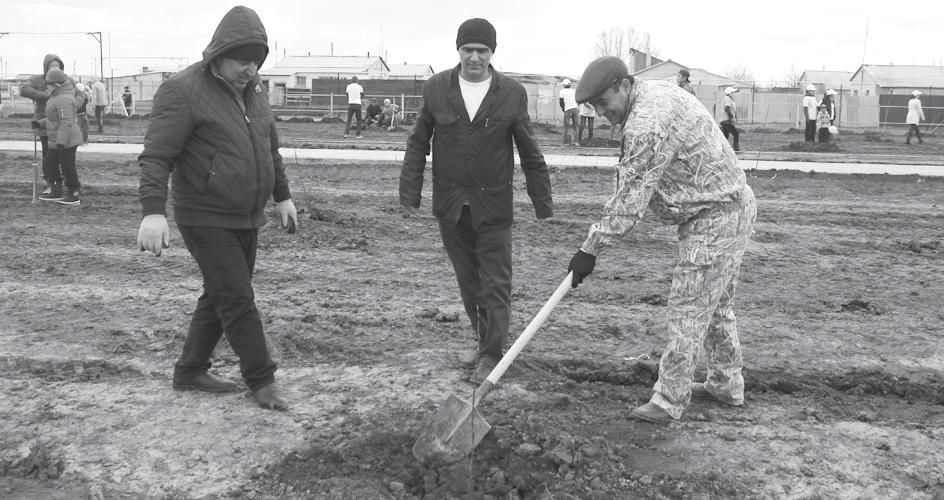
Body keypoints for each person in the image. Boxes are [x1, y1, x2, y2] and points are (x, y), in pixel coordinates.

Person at [566, 56, 756, 424]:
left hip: (714, 219)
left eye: (605, 103)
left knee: (688, 308)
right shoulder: (651, 94)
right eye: (596, 107)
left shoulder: (647, 124)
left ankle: (669, 400)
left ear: (623, 85)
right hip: (732, 207)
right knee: (716, 307)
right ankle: (726, 384)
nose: (603, 112)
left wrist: (589, 249)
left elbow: (630, 201)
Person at [136, 5, 298, 411]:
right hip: (204, 214)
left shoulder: (254, 92)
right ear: (219, 54)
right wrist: (153, 211)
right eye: (242, 61)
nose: (250, 69)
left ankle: (190, 370)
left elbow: (269, 147)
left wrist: (282, 195)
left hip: (247, 214)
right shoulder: (183, 89)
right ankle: (262, 380)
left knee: (221, 293)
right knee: (238, 298)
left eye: (256, 62)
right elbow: (157, 156)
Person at [399, 18, 554, 384]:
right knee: (469, 282)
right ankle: (485, 340)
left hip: (493, 206)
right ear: (458, 50)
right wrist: (410, 194)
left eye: (482, 51)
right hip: (451, 205)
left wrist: (542, 202)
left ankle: (491, 354)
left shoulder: (512, 93)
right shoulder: (436, 89)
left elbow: (529, 151)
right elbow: (419, 142)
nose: (474, 57)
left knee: (495, 282)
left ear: (492, 53)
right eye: (467, 49)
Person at [20, 54, 67, 194]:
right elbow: (24, 89)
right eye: (52, 66)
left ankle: (64, 182)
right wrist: (46, 96)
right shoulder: (37, 79)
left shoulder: (64, 80)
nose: (55, 68)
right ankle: (50, 182)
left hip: (62, 123)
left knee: (63, 154)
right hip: (44, 123)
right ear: (46, 67)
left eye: (57, 66)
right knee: (48, 154)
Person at [37, 68, 83, 205]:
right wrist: (39, 123)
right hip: (58, 139)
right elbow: (54, 119)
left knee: (67, 166)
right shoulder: (55, 97)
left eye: (48, 83)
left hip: (67, 140)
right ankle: (56, 191)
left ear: (56, 84)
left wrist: (61, 143)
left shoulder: (64, 99)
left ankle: (74, 193)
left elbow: (66, 122)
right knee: (50, 163)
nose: (47, 86)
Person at [720, 87, 741, 152]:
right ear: (730, 93)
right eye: (733, 92)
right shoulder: (727, 98)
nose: (734, 94)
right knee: (735, 133)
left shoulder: (728, 99)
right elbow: (727, 108)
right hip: (727, 120)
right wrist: (731, 117)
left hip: (724, 120)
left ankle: (721, 149)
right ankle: (736, 149)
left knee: (725, 136)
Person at [559, 78, 579, 145]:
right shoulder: (574, 91)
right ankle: (576, 142)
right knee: (575, 127)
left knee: (566, 127)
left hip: (568, 109)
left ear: (564, 85)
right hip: (575, 109)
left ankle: (566, 143)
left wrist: (563, 109)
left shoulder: (562, 91)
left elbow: (561, 102)